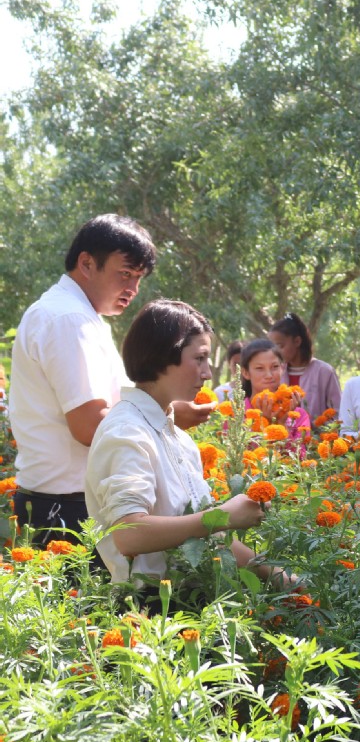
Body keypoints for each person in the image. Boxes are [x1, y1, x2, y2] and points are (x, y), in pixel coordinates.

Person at [10, 215, 212, 546]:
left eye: (138, 278)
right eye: (125, 274)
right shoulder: (68, 319)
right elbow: (89, 425)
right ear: (87, 263)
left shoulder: (81, 316)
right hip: (67, 508)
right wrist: (170, 418)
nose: (132, 289)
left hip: (67, 500)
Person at [85, 299, 290, 588]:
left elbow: (203, 534)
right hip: (150, 613)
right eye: (200, 358)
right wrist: (221, 517)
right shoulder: (126, 432)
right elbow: (128, 534)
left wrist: (280, 577)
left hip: (191, 601)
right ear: (163, 355)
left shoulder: (175, 437)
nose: (207, 373)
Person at [268, 312, 341, 418]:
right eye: (273, 347)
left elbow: (338, 411)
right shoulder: (277, 372)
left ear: (297, 341)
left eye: (280, 346)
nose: (276, 352)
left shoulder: (324, 372)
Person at [241, 338, 312, 442]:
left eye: (274, 367)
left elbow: (300, 456)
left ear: (282, 368)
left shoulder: (298, 416)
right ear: (246, 373)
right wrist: (264, 423)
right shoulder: (235, 415)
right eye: (260, 368)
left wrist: (280, 425)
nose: (269, 375)